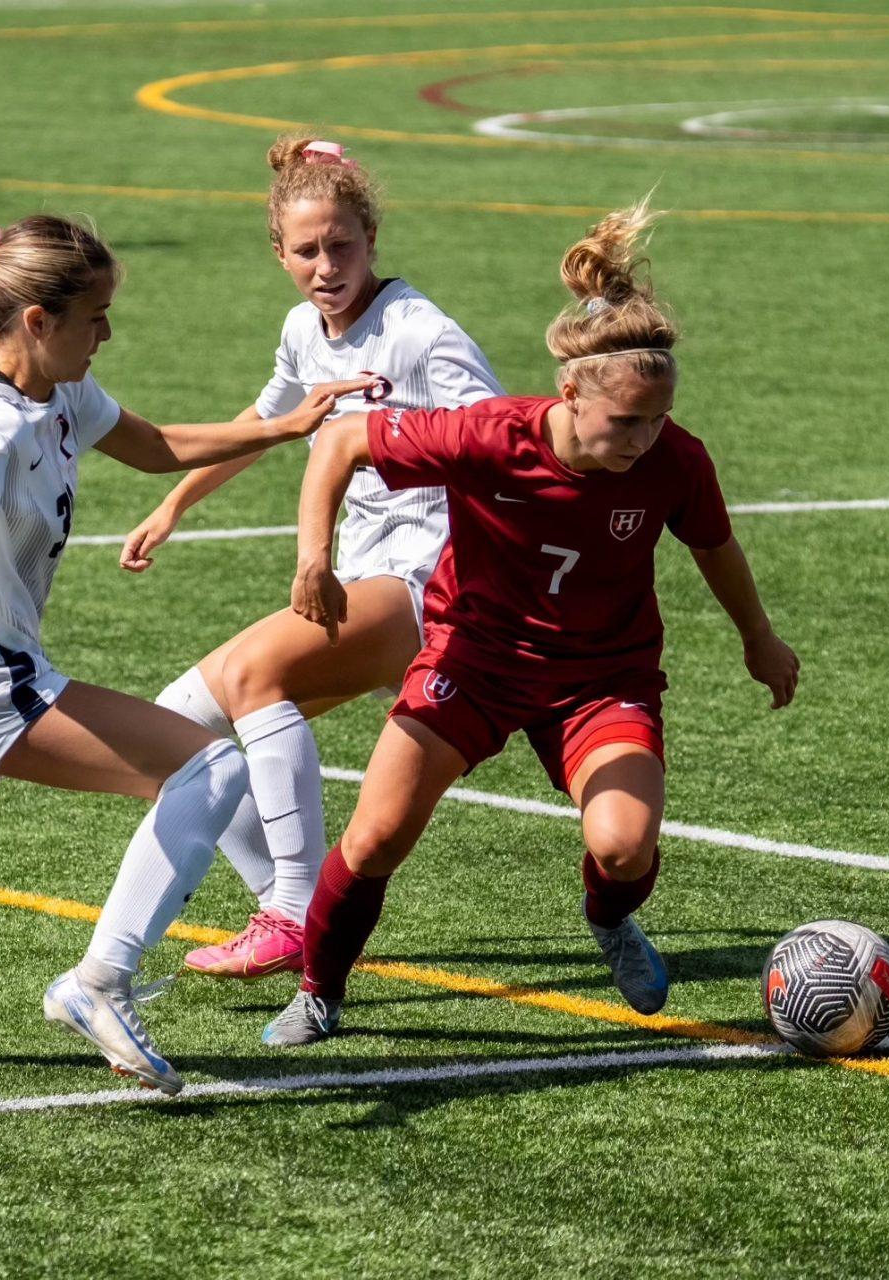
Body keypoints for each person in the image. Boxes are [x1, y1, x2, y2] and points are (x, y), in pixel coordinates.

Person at [257, 198, 802, 1046]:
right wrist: (312, 558)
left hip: (601, 678)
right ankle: (320, 992)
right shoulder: (489, 435)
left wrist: (758, 637)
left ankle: (610, 918)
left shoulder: (676, 459)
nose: (644, 438)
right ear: (571, 393)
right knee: (374, 838)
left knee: (624, 845)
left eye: (657, 419)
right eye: (626, 421)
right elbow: (341, 444)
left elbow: (717, 548)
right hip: (471, 660)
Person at [0, 214, 372, 1093]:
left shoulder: (59, 397)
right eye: (94, 317)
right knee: (207, 770)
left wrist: (285, 429)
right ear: (37, 323)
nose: (108, 334)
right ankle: (98, 982)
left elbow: (157, 446)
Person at [119, 137, 504, 980]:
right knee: (177, 730)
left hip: (425, 585)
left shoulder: (419, 333)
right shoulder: (303, 328)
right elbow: (267, 422)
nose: (326, 265)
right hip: (362, 580)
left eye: (342, 246)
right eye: (307, 250)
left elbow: (503, 441)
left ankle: (294, 910)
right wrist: (173, 503)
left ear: (372, 240)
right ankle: (301, 919)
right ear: (279, 253)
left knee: (256, 673)